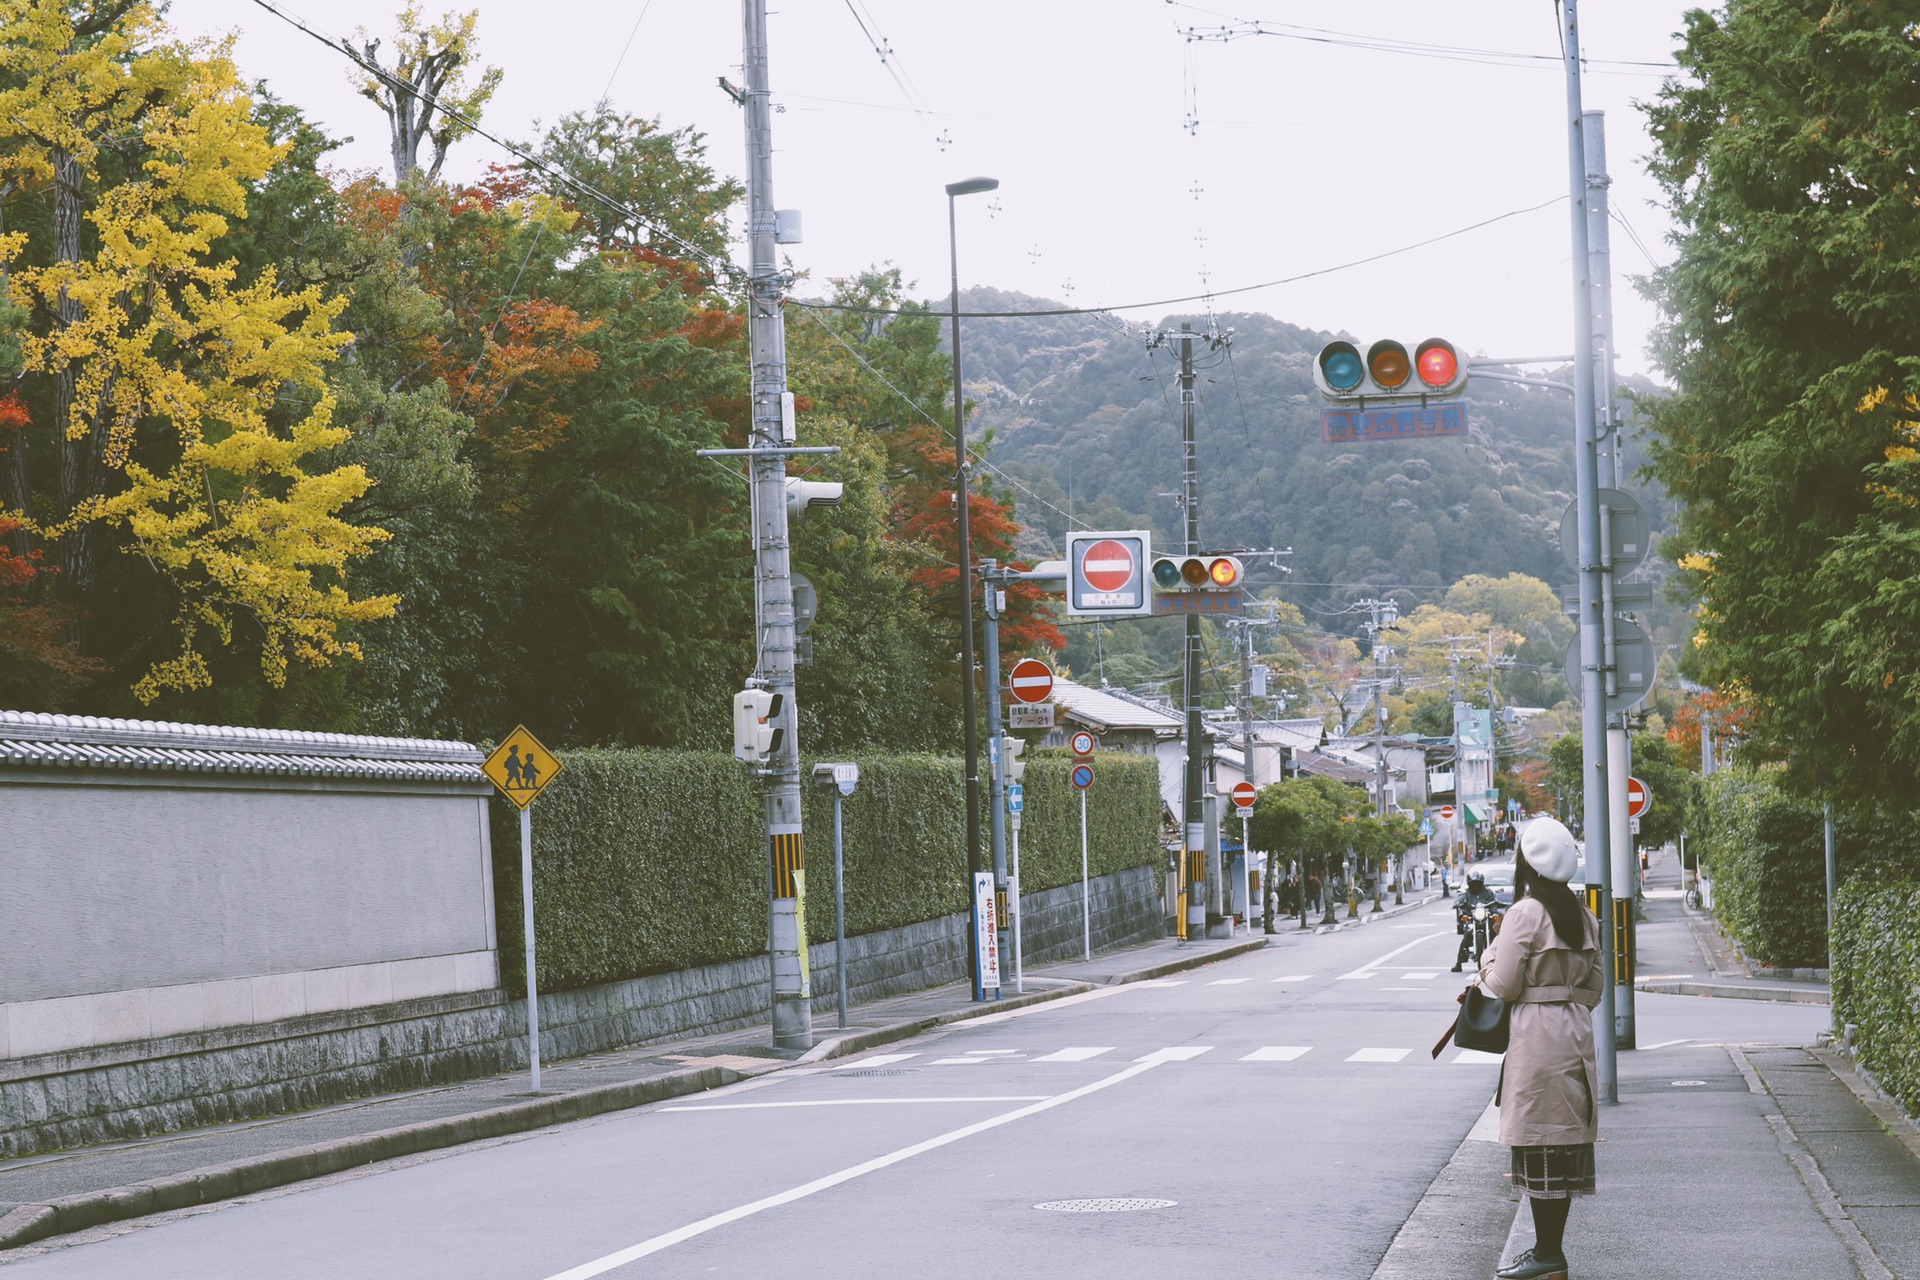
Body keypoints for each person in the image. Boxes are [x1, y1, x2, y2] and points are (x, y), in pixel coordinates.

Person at [1478, 816, 1603, 1280]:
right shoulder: (1583, 915)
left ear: (1527, 864)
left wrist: (1486, 958)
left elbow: (1504, 984)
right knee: (1562, 1141)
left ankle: (1548, 1254)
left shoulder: (1525, 913)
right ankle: (1549, 1252)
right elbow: (1595, 989)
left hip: (1536, 1034)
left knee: (1538, 1141)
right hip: (1575, 1031)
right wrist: (1565, 998)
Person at [1451, 873, 1499, 972]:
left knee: (1495, 935)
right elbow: (1461, 899)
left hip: (1486, 918)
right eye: (1473, 883)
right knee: (1467, 935)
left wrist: (1494, 911)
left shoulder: (1488, 892)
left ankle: (1499, 959)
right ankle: (1459, 963)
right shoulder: (1467, 893)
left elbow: (1493, 903)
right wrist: (1457, 903)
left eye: (1477, 883)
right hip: (1473, 918)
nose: (1475, 885)